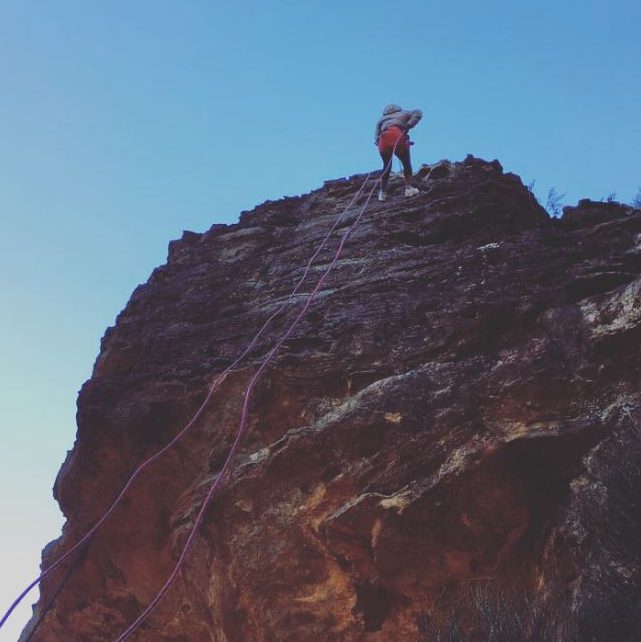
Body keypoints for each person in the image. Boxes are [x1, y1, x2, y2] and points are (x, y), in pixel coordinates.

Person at [374, 104, 423, 201]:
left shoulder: (381, 119)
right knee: (406, 163)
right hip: (398, 136)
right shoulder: (403, 113)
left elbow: (376, 137)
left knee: (386, 166)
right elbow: (418, 112)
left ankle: (382, 193)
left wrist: (379, 141)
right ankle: (408, 188)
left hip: (383, 140)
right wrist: (409, 124)